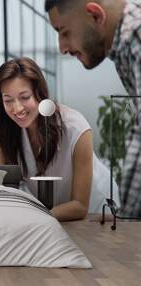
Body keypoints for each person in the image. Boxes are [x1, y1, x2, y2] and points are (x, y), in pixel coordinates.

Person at [0, 57, 120, 221]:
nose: (17, 108)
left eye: (25, 97)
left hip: (97, 209)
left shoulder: (75, 127)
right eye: (8, 100)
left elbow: (79, 206)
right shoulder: (2, 135)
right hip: (51, 214)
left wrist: (31, 217)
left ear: (39, 94)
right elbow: (4, 193)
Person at [44, 0, 141, 216]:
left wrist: (130, 226)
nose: (62, 47)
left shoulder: (137, 34)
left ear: (96, 15)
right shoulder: (124, 49)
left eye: (64, 32)